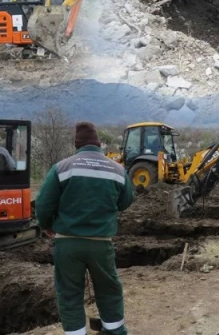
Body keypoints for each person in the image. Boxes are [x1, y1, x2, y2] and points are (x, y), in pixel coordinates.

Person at [35, 122, 135, 335]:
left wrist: (46, 225)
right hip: (101, 243)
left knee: (69, 293)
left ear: (77, 144)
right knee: (109, 289)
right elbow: (127, 200)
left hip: (67, 243)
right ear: (98, 143)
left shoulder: (62, 168)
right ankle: (115, 331)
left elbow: (43, 203)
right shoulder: (117, 169)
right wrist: (107, 210)